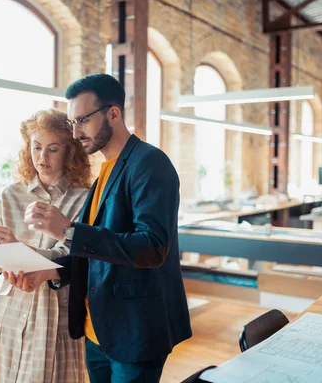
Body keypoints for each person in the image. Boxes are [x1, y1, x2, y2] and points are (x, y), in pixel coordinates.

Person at [10, 74, 192, 382]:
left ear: (113, 113)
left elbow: (152, 247)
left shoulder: (149, 163)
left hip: (135, 332)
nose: (76, 132)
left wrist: (68, 230)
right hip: (98, 330)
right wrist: (51, 272)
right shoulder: (104, 172)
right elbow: (97, 251)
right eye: (71, 122)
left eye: (82, 120)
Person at [0, 109, 92, 383]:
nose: (42, 158)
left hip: (54, 313)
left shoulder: (86, 199)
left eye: (53, 149)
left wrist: (20, 248)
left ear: (70, 152)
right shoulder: (9, 195)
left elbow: (73, 258)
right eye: (36, 147)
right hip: (7, 310)